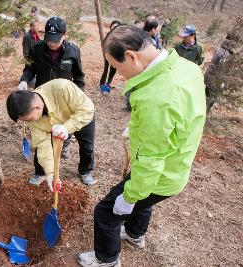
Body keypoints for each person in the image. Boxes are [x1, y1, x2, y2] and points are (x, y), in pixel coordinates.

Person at [78, 25, 206, 267]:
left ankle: (106, 259)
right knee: (143, 201)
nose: (119, 74)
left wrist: (129, 196)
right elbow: (178, 118)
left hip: (161, 174)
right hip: (177, 163)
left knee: (107, 212)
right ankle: (135, 234)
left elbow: (151, 161)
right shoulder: (185, 68)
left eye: (117, 68)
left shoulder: (158, 98)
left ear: (130, 56)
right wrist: (139, 129)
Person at [7, 79, 97, 187]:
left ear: (37, 107)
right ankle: (42, 173)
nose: (29, 123)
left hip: (82, 118)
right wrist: (50, 173)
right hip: (56, 126)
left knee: (87, 147)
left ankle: (85, 171)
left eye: (29, 119)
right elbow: (42, 144)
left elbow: (87, 110)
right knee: (43, 150)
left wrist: (66, 127)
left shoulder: (62, 88)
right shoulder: (31, 119)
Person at [18, 16, 85, 159]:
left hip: (64, 97)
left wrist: (78, 97)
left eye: (56, 39)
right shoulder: (37, 50)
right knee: (43, 124)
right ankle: (44, 151)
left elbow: (79, 77)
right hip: (42, 97)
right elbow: (29, 69)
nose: (51, 43)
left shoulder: (73, 51)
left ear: (64, 35)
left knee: (65, 122)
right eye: (49, 38)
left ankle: (65, 145)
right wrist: (24, 81)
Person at [204, 26, 240, 111]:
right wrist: (222, 82)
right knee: (211, 98)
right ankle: (205, 112)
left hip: (210, 76)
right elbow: (221, 70)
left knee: (207, 95)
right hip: (215, 79)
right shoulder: (225, 53)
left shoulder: (221, 48)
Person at [99, 20, 121, 93]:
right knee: (107, 70)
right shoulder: (109, 35)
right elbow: (105, 44)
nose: (114, 28)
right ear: (111, 27)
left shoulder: (120, 36)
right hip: (109, 55)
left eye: (116, 26)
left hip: (116, 56)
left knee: (113, 71)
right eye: (113, 26)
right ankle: (103, 85)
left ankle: (108, 83)